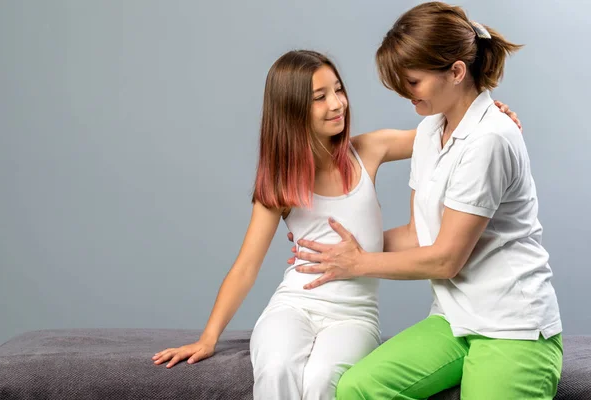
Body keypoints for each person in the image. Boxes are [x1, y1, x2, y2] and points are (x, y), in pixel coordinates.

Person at [152, 49, 520, 399]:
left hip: (354, 316)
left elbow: (449, 132)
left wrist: (489, 113)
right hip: (293, 304)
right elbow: (246, 267)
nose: (336, 103)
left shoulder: (369, 150)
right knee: (278, 367)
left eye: (339, 90)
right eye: (319, 97)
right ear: (291, 109)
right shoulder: (281, 183)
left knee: (323, 379)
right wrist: (208, 338)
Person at [291, 3, 562, 399]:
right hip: (453, 322)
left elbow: (445, 259)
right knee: (357, 388)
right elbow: (419, 235)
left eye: (412, 82)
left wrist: (359, 263)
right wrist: (334, 251)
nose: (405, 93)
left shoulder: (490, 139)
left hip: (513, 328)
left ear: (455, 72)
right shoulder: (431, 130)